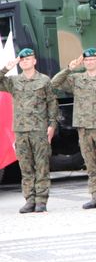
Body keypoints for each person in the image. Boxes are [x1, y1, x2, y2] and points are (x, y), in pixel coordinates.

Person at [52, 48, 96, 209]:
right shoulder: (77, 79)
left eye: (92, 59)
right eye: (87, 60)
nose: (90, 62)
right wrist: (69, 68)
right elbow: (54, 83)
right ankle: (95, 195)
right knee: (90, 163)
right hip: (84, 128)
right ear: (83, 62)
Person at [0, 48, 58, 213]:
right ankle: (29, 200)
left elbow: (52, 104)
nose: (25, 62)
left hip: (39, 130)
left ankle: (41, 200)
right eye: (22, 60)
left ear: (34, 61)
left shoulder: (44, 81)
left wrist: (52, 125)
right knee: (25, 167)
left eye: (28, 59)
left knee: (41, 166)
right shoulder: (14, 81)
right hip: (21, 130)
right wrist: (6, 68)